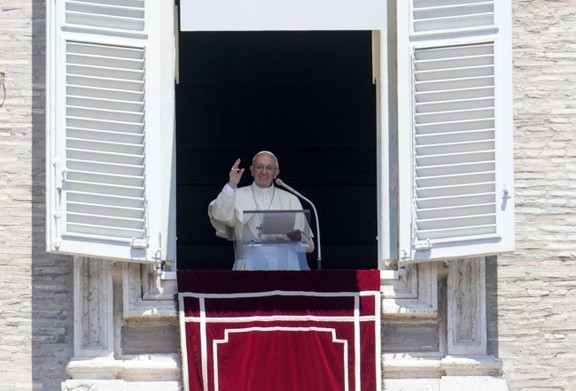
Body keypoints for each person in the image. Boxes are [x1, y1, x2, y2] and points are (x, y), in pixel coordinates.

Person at [208, 151, 314, 270]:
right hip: (248, 267)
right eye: (259, 167)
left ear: (276, 173)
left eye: (269, 168)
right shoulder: (236, 195)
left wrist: (298, 238)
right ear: (252, 170)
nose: (264, 172)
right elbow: (220, 215)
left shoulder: (290, 199)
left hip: (286, 268)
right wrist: (231, 185)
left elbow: (309, 245)